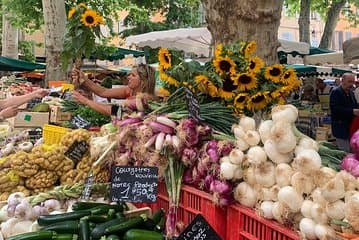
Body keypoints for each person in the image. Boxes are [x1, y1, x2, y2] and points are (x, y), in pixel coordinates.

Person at [71, 64, 156, 116]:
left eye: (133, 75)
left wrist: (85, 101)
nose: (128, 77)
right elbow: (103, 92)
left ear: (142, 81)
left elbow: (114, 111)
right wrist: (84, 80)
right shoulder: (129, 90)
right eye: (129, 74)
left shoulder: (144, 99)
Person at [330, 73, 359, 152]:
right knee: (344, 152)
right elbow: (335, 109)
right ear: (342, 81)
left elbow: (355, 105)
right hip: (340, 128)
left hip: (349, 128)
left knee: (350, 150)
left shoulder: (351, 93)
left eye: (353, 82)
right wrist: (352, 111)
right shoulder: (336, 92)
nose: (351, 84)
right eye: (349, 81)